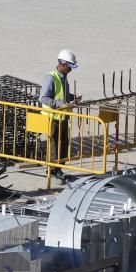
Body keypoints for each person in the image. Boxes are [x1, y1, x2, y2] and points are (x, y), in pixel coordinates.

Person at [39, 49, 81, 183]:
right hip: (52, 119)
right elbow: (43, 98)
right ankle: (52, 171)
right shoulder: (51, 78)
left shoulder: (64, 78)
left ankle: (59, 170)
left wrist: (73, 97)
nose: (71, 70)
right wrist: (59, 104)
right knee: (53, 146)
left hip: (63, 118)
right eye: (70, 67)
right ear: (63, 64)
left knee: (63, 145)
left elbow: (63, 94)